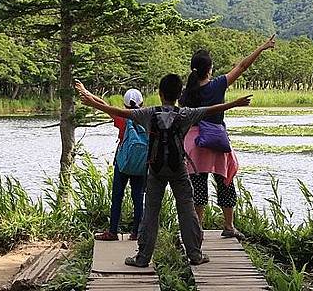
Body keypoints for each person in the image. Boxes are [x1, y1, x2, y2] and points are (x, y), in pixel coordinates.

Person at [78, 74, 253, 268]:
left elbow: (119, 112)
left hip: (155, 169)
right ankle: (195, 255)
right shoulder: (185, 114)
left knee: (151, 212)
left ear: (160, 94)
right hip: (179, 169)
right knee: (187, 210)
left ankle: (143, 257)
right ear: (179, 94)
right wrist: (234, 103)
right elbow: (211, 110)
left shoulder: (148, 114)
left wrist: (93, 103)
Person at [180, 35, 276, 240]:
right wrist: (262, 47)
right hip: (216, 141)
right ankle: (229, 226)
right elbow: (242, 67)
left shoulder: (185, 93)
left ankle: (197, 231)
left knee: (198, 187)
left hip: (193, 146)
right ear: (209, 69)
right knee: (225, 182)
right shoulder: (217, 85)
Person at [74, 82, 146, 241]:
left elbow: (103, 105)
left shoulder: (122, 117)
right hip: (141, 164)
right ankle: (136, 233)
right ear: (143, 103)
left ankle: (113, 231)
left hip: (123, 163)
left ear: (124, 104)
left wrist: (86, 92)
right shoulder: (147, 118)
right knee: (138, 197)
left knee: (117, 197)